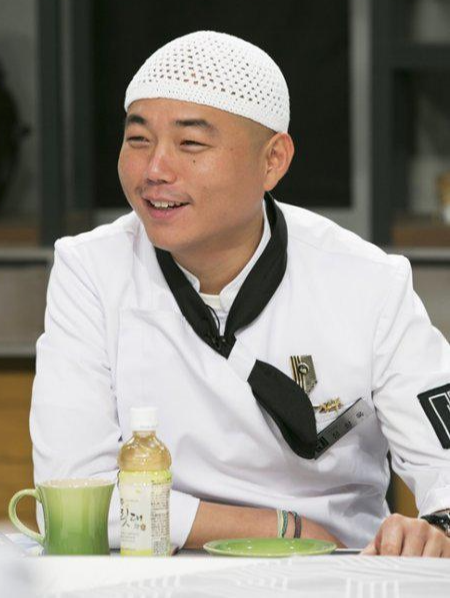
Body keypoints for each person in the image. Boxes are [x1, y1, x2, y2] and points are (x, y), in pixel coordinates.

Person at [31, 30, 450, 557]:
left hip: (336, 572)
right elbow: (71, 498)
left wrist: (437, 528)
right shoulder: (91, 270)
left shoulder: (366, 281)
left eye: (190, 144)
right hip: (155, 572)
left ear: (273, 160)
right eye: (138, 140)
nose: (155, 170)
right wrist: (281, 527)